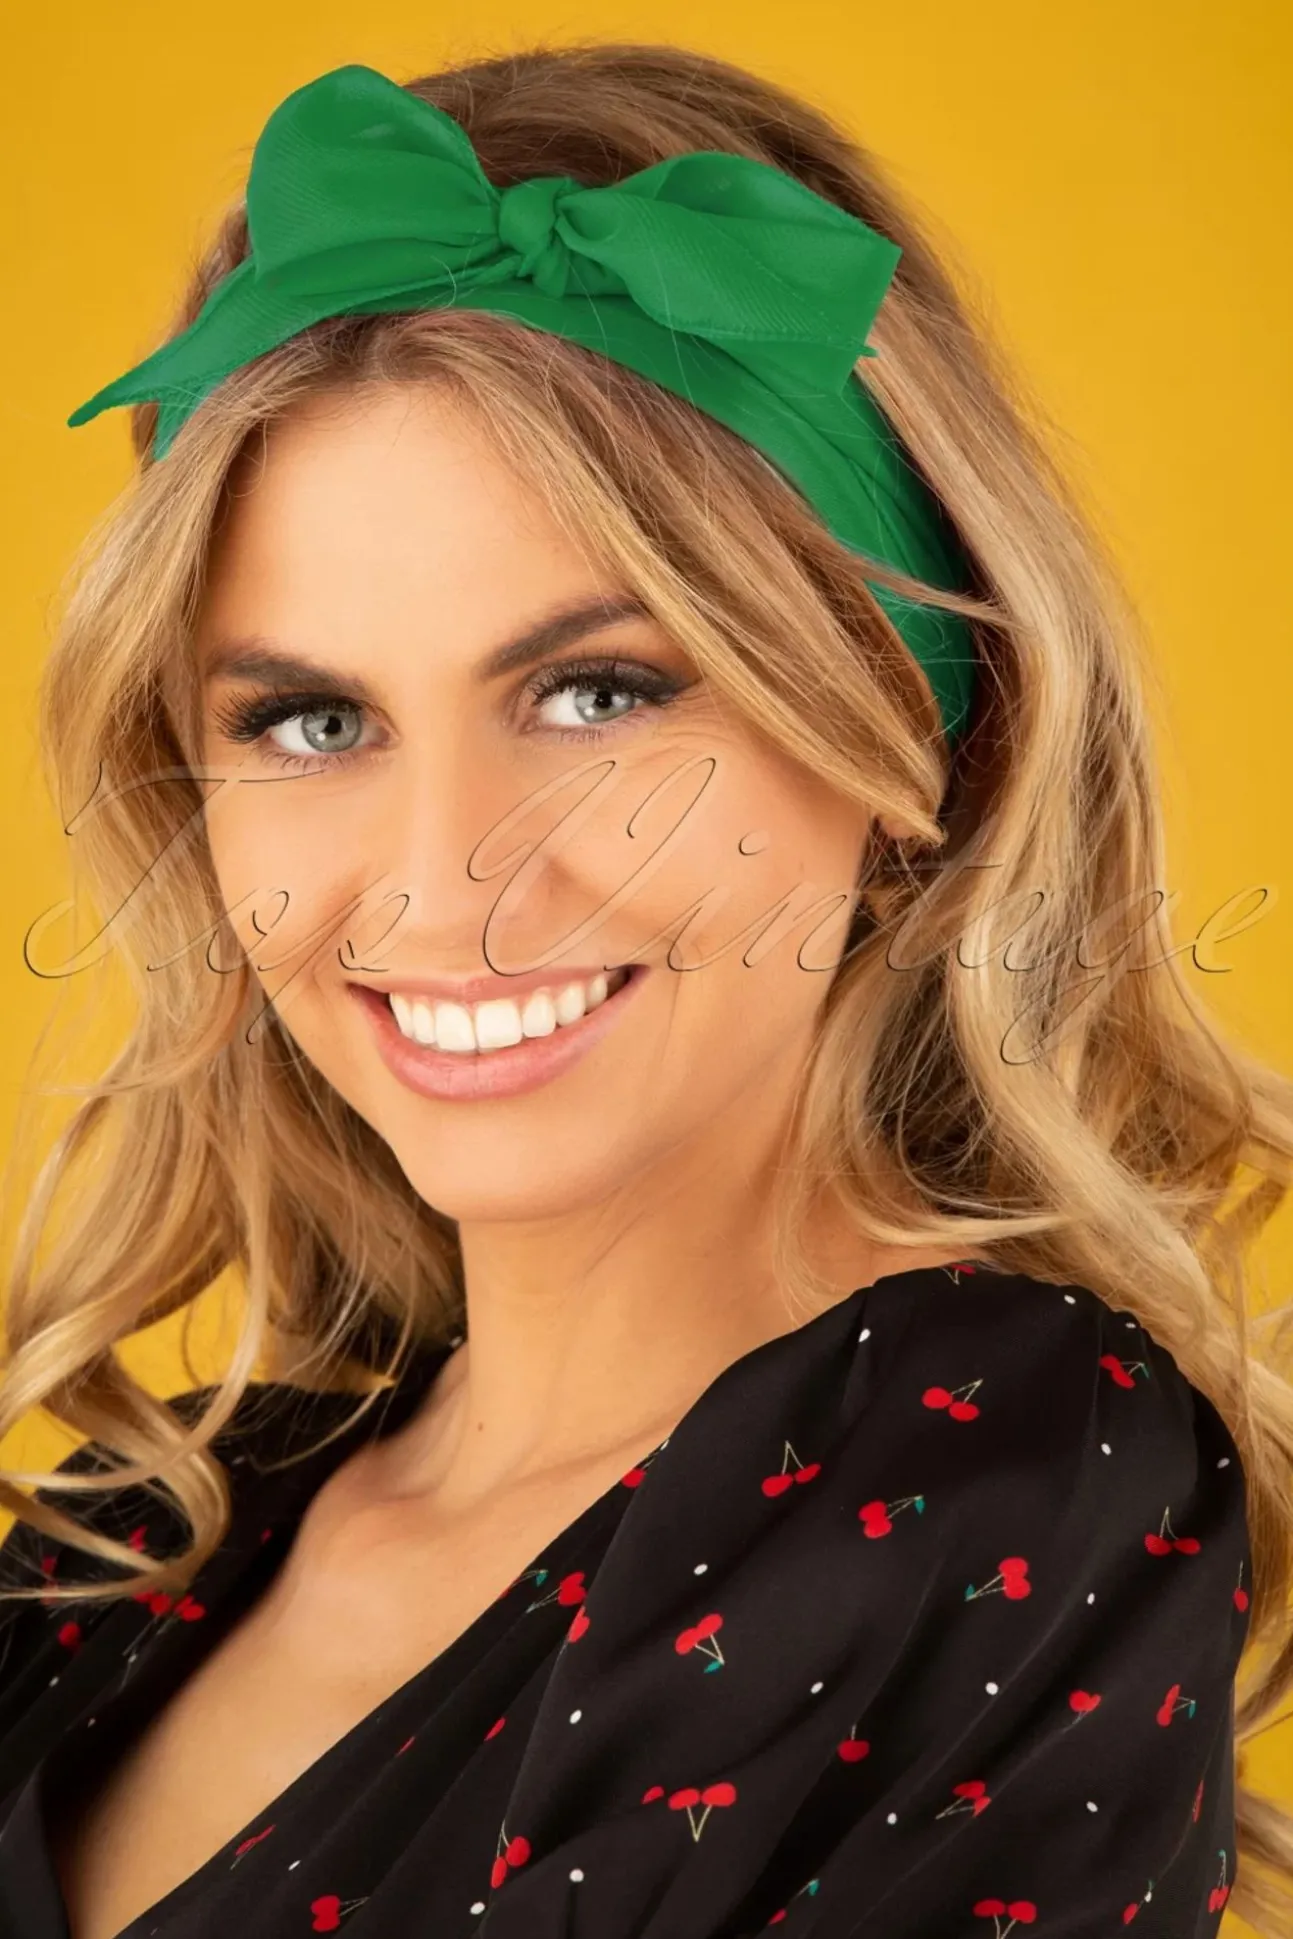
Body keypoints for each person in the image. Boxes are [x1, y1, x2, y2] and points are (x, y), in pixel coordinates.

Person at [0, 38, 1290, 1939]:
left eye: (596, 693)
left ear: (919, 733)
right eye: (313, 719)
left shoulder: (993, 1470)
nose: (441, 880)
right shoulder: (131, 1536)